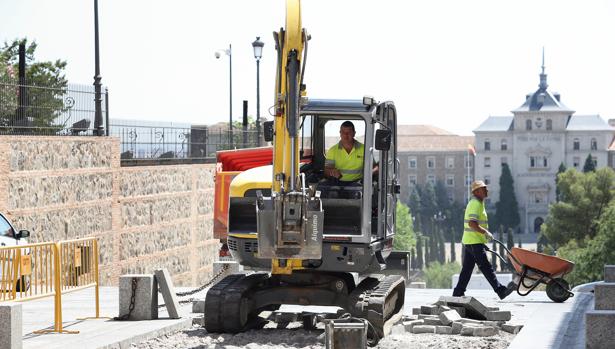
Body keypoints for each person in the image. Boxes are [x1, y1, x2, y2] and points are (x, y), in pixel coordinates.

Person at [452, 180, 515, 299]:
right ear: (477, 192)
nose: (486, 190)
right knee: (486, 266)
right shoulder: (475, 203)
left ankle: (458, 292)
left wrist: (482, 240)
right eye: (483, 188)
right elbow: (472, 223)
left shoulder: (478, 203)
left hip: (472, 241)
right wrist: (485, 232)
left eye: (486, 188)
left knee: (467, 269)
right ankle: (500, 290)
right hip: (473, 242)